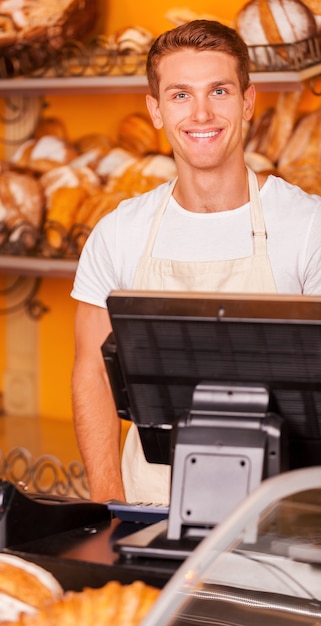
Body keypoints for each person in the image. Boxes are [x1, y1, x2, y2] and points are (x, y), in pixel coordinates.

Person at [70, 19, 321, 505]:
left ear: (248, 101)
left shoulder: (308, 226)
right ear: (156, 110)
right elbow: (93, 374)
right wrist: (109, 506)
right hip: (151, 504)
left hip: (282, 512)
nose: (201, 113)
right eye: (180, 95)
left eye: (219, 91)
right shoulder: (120, 231)